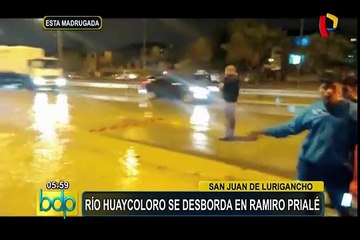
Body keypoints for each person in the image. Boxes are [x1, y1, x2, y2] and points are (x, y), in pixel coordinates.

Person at [249, 68, 357, 216]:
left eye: (332, 87)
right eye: (324, 87)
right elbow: (291, 127)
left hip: (340, 173)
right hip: (309, 168)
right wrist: (265, 131)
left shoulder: (353, 112)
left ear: (340, 89)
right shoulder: (315, 108)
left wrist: (355, 178)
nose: (327, 92)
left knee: (345, 206)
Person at [219, 65, 240, 141]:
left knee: (228, 119)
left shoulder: (227, 80)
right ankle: (231, 134)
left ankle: (228, 135)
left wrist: (223, 79)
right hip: (233, 100)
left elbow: (221, 88)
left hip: (228, 101)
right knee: (231, 118)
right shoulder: (236, 79)